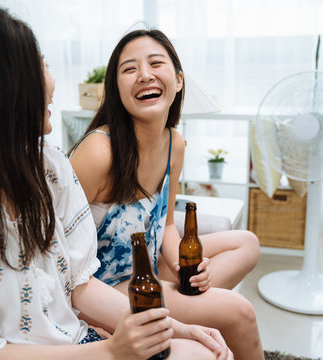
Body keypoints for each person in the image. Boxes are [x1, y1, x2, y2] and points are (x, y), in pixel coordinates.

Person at [0, 7, 233, 360]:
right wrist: (112, 351)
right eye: (41, 65)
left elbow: (79, 283)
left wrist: (171, 327)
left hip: (70, 341)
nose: (52, 82)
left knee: (206, 350)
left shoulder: (48, 162)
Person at [70, 29, 264, 359]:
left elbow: (167, 225)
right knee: (240, 312)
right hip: (105, 287)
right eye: (129, 69)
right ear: (116, 90)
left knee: (248, 242)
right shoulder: (99, 152)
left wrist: (184, 269)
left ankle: (190, 307)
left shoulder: (176, 144)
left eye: (156, 63)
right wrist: (95, 315)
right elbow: (54, 255)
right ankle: (189, 315)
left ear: (178, 80)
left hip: (147, 266)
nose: (144, 74)